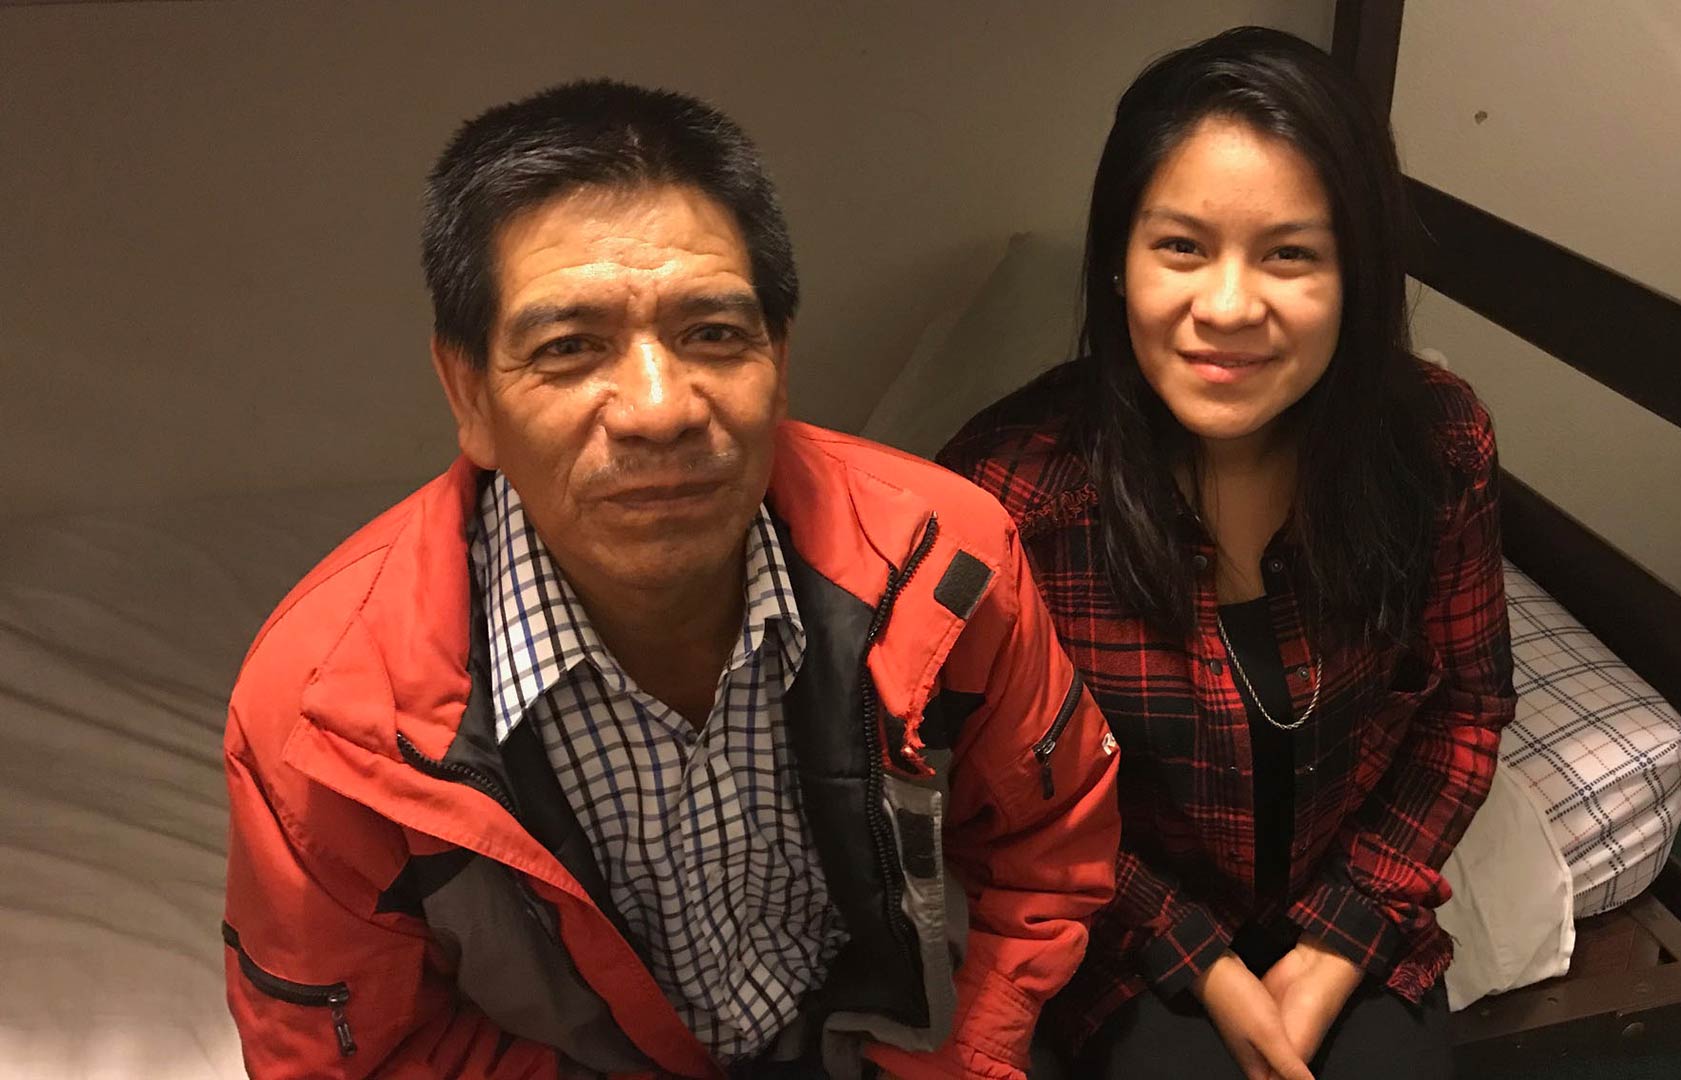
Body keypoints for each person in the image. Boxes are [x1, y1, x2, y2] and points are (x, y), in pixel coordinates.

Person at [221, 80, 1121, 1080]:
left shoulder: (947, 561)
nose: (659, 408)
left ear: (779, 358)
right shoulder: (322, 716)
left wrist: (962, 1064)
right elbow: (358, 1058)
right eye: (569, 348)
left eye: (714, 334)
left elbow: (1052, 846)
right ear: (469, 394)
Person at [938, 27, 1515, 1080]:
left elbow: (1465, 714)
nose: (1230, 307)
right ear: (1117, 262)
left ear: (1357, 274)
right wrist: (1204, 964)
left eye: (1290, 253)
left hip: (1351, 913)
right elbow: (1002, 800)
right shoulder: (1010, 494)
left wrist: (1339, 943)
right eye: (1182, 248)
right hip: (1118, 930)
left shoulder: (1434, 448)